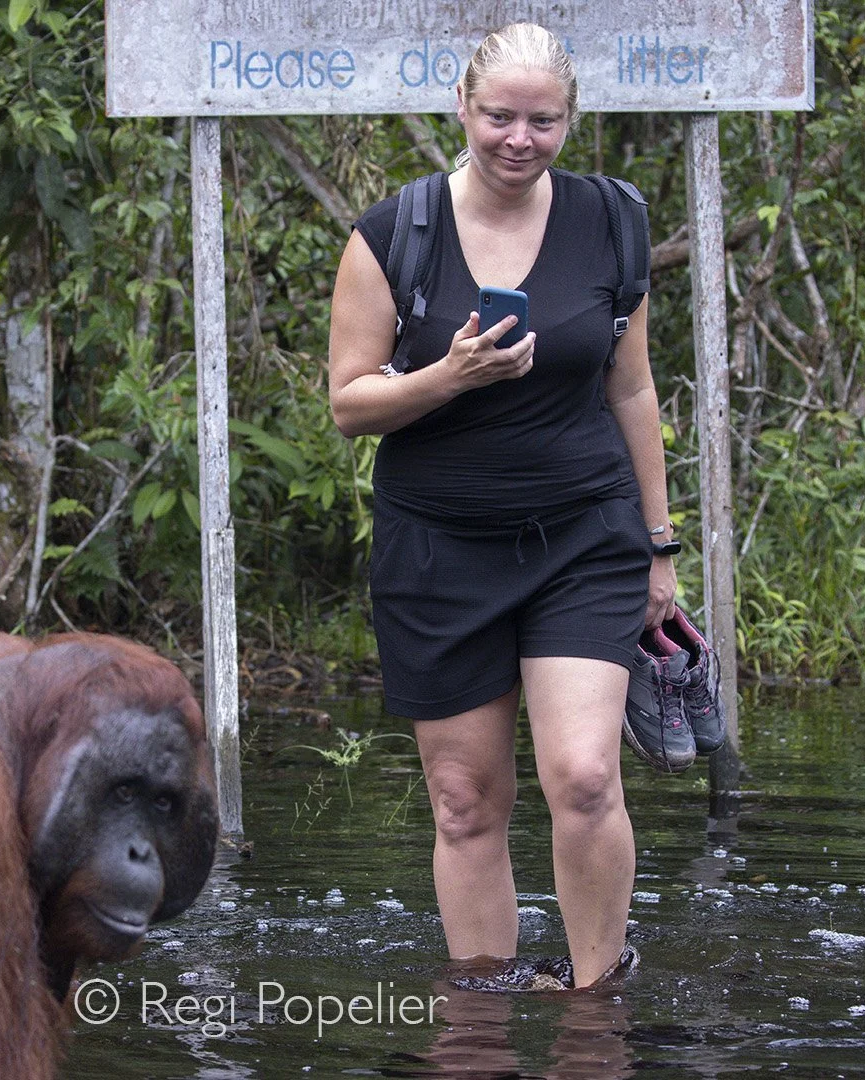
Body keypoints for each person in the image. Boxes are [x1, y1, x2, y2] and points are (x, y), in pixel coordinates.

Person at [326, 22, 678, 990]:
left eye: (543, 120)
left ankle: (595, 1004)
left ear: (571, 120)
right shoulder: (394, 232)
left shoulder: (613, 220)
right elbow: (350, 404)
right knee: (467, 802)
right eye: (499, 116)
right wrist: (449, 374)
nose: (518, 139)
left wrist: (661, 545)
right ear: (463, 111)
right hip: (438, 550)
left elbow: (632, 388)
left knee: (586, 777)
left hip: (583, 537)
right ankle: (483, 1019)